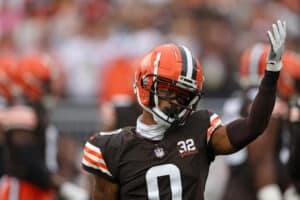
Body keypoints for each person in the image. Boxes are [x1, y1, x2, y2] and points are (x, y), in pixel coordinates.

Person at [81, 20, 286, 200]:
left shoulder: (198, 127)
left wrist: (271, 75)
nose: (177, 102)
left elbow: (252, 126)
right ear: (146, 85)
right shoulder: (110, 147)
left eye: (184, 96)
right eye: (170, 92)